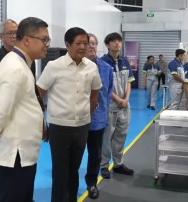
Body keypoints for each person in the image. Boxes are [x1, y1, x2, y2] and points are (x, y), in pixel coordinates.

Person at [0, 17, 50, 202]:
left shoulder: (22, 63)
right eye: (44, 39)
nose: (47, 45)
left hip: (21, 153)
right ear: (27, 40)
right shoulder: (15, 68)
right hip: (15, 155)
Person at [37, 27, 102, 202]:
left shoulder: (91, 67)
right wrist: (42, 123)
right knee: (60, 171)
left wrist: (87, 113)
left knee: (74, 170)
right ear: (67, 44)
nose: (83, 47)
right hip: (59, 127)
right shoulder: (54, 66)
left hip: (82, 126)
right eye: (78, 43)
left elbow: (95, 93)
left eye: (85, 43)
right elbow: (38, 95)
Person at [0, 19, 36, 112]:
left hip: (22, 111)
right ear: (1, 37)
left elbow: (31, 87)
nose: (14, 36)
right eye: (10, 33)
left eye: (17, 33)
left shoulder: (28, 59)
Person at [100, 32, 135, 179]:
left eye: (119, 41)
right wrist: (118, 100)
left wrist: (126, 99)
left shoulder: (125, 61)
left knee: (121, 135)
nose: (117, 44)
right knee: (107, 138)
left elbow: (129, 82)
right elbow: (103, 86)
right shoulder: (102, 62)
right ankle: (103, 165)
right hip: (110, 107)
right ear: (108, 44)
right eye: (114, 41)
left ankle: (118, 164)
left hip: (124, 106)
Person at [84, 33, 113, 199]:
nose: (92, 46)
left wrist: (102, 113)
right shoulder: (76, 66)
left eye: (94, 43)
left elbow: (108, 93)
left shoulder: (106, 68)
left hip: (97, 120)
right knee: (75, 154)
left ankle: (92, 183)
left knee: (95, 154)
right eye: (88, 43)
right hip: (77, 121)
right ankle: (70, 183)